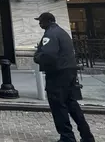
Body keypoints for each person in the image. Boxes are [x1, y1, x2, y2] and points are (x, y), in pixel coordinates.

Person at [33, 12, 95, 142]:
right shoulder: (62, 32)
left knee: (58, 105)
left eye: (41, 21)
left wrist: (37, 57)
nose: (39, 24)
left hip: (58, 74)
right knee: (71, 103)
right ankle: (86, 135)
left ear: (48, 21)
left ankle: (67, 137)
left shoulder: (51, 34)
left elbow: (48, 55)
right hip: (69, 71)